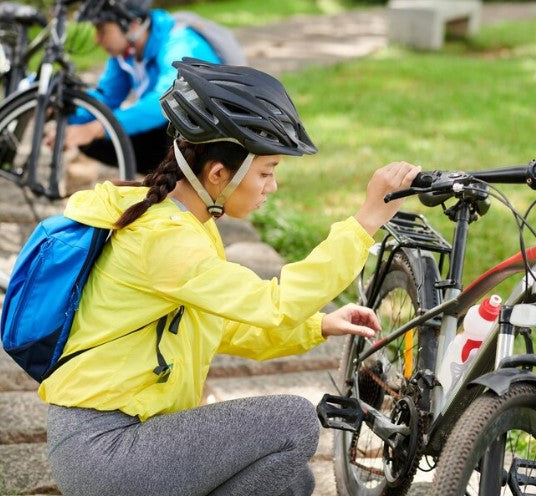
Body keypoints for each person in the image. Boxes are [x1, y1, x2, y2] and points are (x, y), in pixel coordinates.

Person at [38, 58, 421, 496]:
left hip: (116, 445)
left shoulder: (182, 223)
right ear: (218, 174)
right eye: (266, 172)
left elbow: (219, 327)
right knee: (294, 421)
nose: (271, 187)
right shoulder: (164, 238)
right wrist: (367, 219)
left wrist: (318, 325)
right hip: (106, 450)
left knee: (289, 480)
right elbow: (273, 303)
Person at [67, 0, 221, 174]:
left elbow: (167, 102)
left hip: (210, 140)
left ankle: (182, 185)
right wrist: (68, 115)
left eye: (102, 29)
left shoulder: (180, 44)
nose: (97, 38)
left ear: (132, 25)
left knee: (101, 130)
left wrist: (96, 128)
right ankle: (164, 182)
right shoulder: (126, 53)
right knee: (85, 136)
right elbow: (106, 97)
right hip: (176, 134)